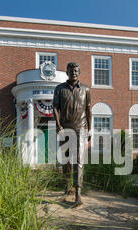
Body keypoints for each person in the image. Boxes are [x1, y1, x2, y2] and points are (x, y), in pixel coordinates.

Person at [53, 62, 91, 207]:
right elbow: (55, 108)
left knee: (79, 161)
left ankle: (78, 194)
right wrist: (59, 126)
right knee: (65, 161)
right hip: (65, 129)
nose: (73, 73)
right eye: (71, 70)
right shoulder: (59, 89)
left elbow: (88, 110)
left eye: (76, 70)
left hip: (81, 129)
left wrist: (90, 129)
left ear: (79, 72)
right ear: (67, 72)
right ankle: (67, 186)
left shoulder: (86, 89)